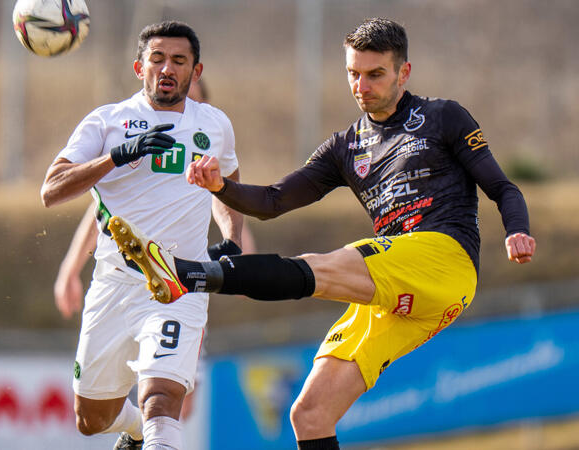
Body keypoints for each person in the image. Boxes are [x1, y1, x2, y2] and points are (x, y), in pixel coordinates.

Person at [108, 18, 536, 450]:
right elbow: (274, 200)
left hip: (444, 260)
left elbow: (503, 187)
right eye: (353, 73)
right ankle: (188, 276)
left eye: (375, 74)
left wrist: (517, 230)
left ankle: (188, 275)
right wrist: (222, 188)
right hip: (395, 290)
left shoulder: (444, 117)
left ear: (403, 73)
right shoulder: (345, 147)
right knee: (309, 414)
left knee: (323, 266)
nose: (361, 86)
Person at [41, 21, 244, 450]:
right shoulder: (107, 121)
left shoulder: (215, 124)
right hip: (113, 283)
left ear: (197, 70)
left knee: (162, 398)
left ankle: (150, 433)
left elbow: (227, 184)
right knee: (91, 419)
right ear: (139, 67)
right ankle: (132, 433)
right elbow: (52, 189)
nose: (166, 68)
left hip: (177, 283)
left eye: (178, 60)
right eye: (157, 59)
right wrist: (115, 157)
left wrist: (231, 237)